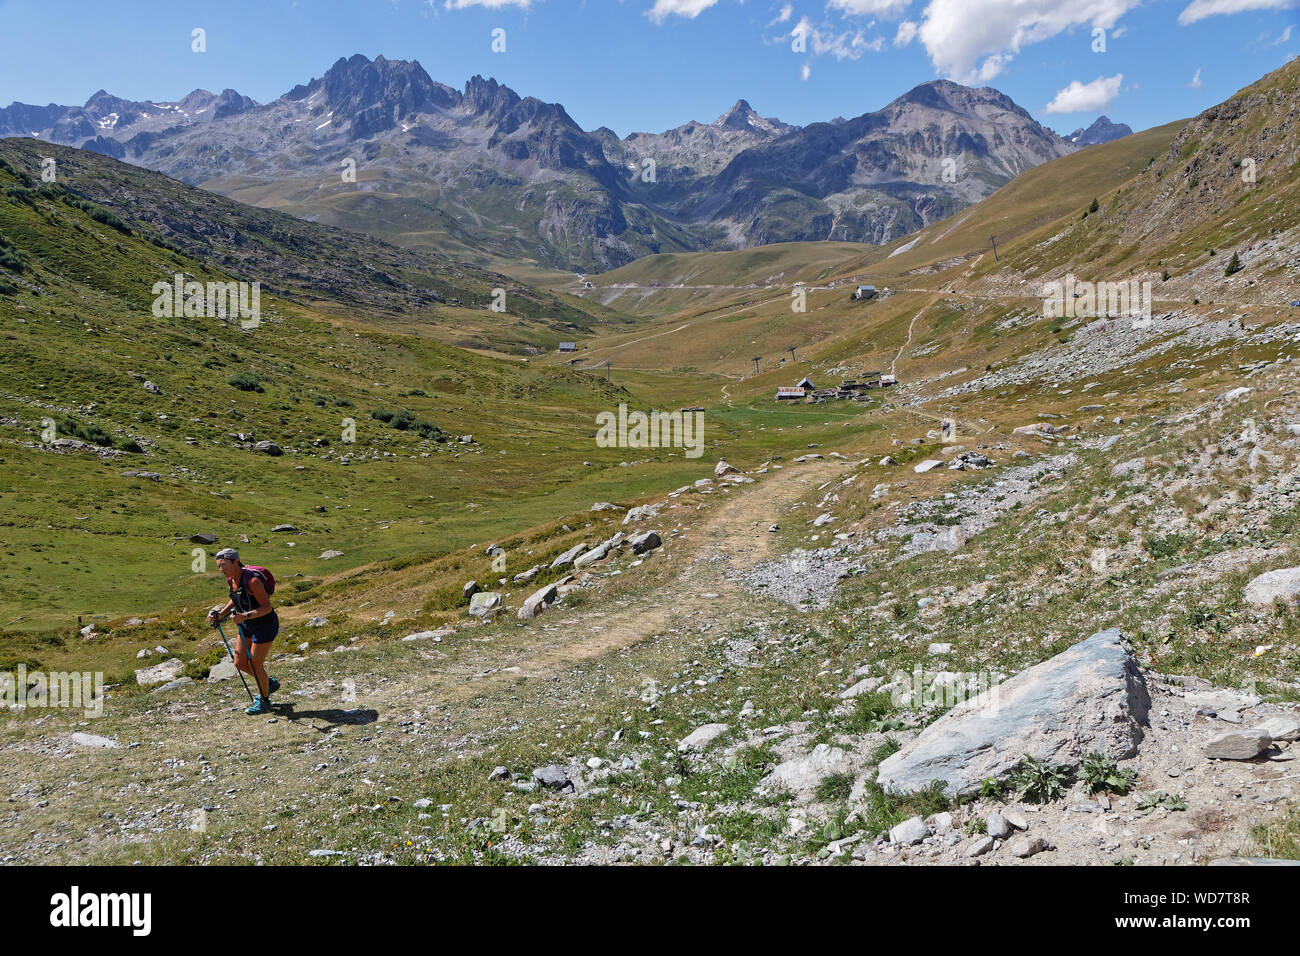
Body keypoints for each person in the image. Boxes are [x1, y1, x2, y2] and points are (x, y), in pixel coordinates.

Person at [206, 548, 280, 715]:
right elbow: (235, 598)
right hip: (246, 624)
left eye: (223, 565)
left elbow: (267, 607)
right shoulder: (231, 579)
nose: (221, 570)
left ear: (235, 562)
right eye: (218, 566)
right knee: (239, 662)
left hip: (264, 625)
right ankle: (268, 683)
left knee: (255, 664)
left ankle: (264, 701)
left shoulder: (253, 581)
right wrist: (220, 614)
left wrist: (245, 615)